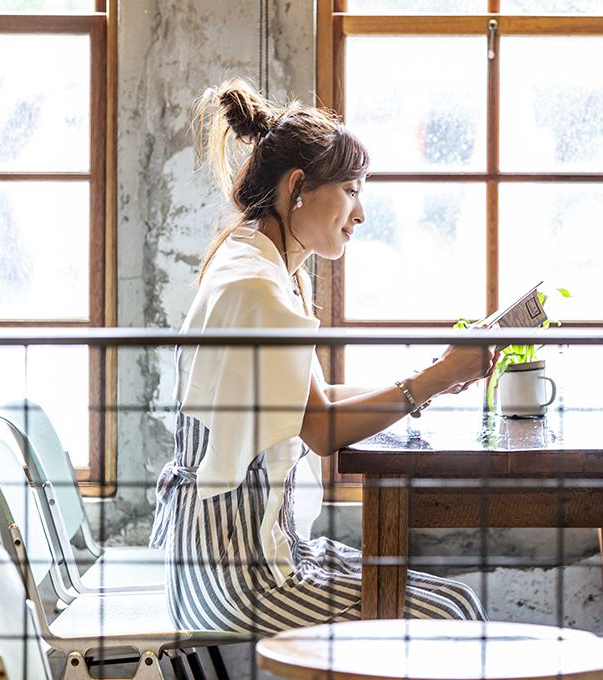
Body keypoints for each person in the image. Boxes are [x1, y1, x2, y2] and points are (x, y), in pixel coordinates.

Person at [149, 77, 496, 635]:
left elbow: (319, 400)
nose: (360, 214)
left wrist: (434, 374)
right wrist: (435, 379)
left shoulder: (258, 266)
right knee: (452, 613)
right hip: (237, 575)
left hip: (243, 551)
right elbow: (319, 429)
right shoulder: (256, 286)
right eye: (353, 189)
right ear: (299, 187)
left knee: (453, 601)